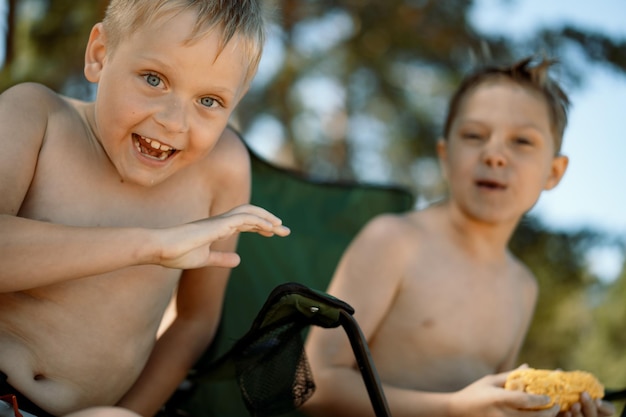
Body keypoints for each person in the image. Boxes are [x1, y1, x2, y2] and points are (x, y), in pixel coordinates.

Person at [0, 1, 291, 417]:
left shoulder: (221, 169)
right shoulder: (38, 116)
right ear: (100, 55)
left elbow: (194, 322)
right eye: (154, 79)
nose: (174, 122)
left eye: (209, 101)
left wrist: (134, 413)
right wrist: (153, 245)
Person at [300, 57, 616, 417]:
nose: (494, 154)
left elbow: (491, 408)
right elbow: (312, 385)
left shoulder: (522, 286)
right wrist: (450, 408)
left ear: (554, 172)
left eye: (522, 141)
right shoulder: (394, 242)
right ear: (445, 155)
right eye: (474, 135)